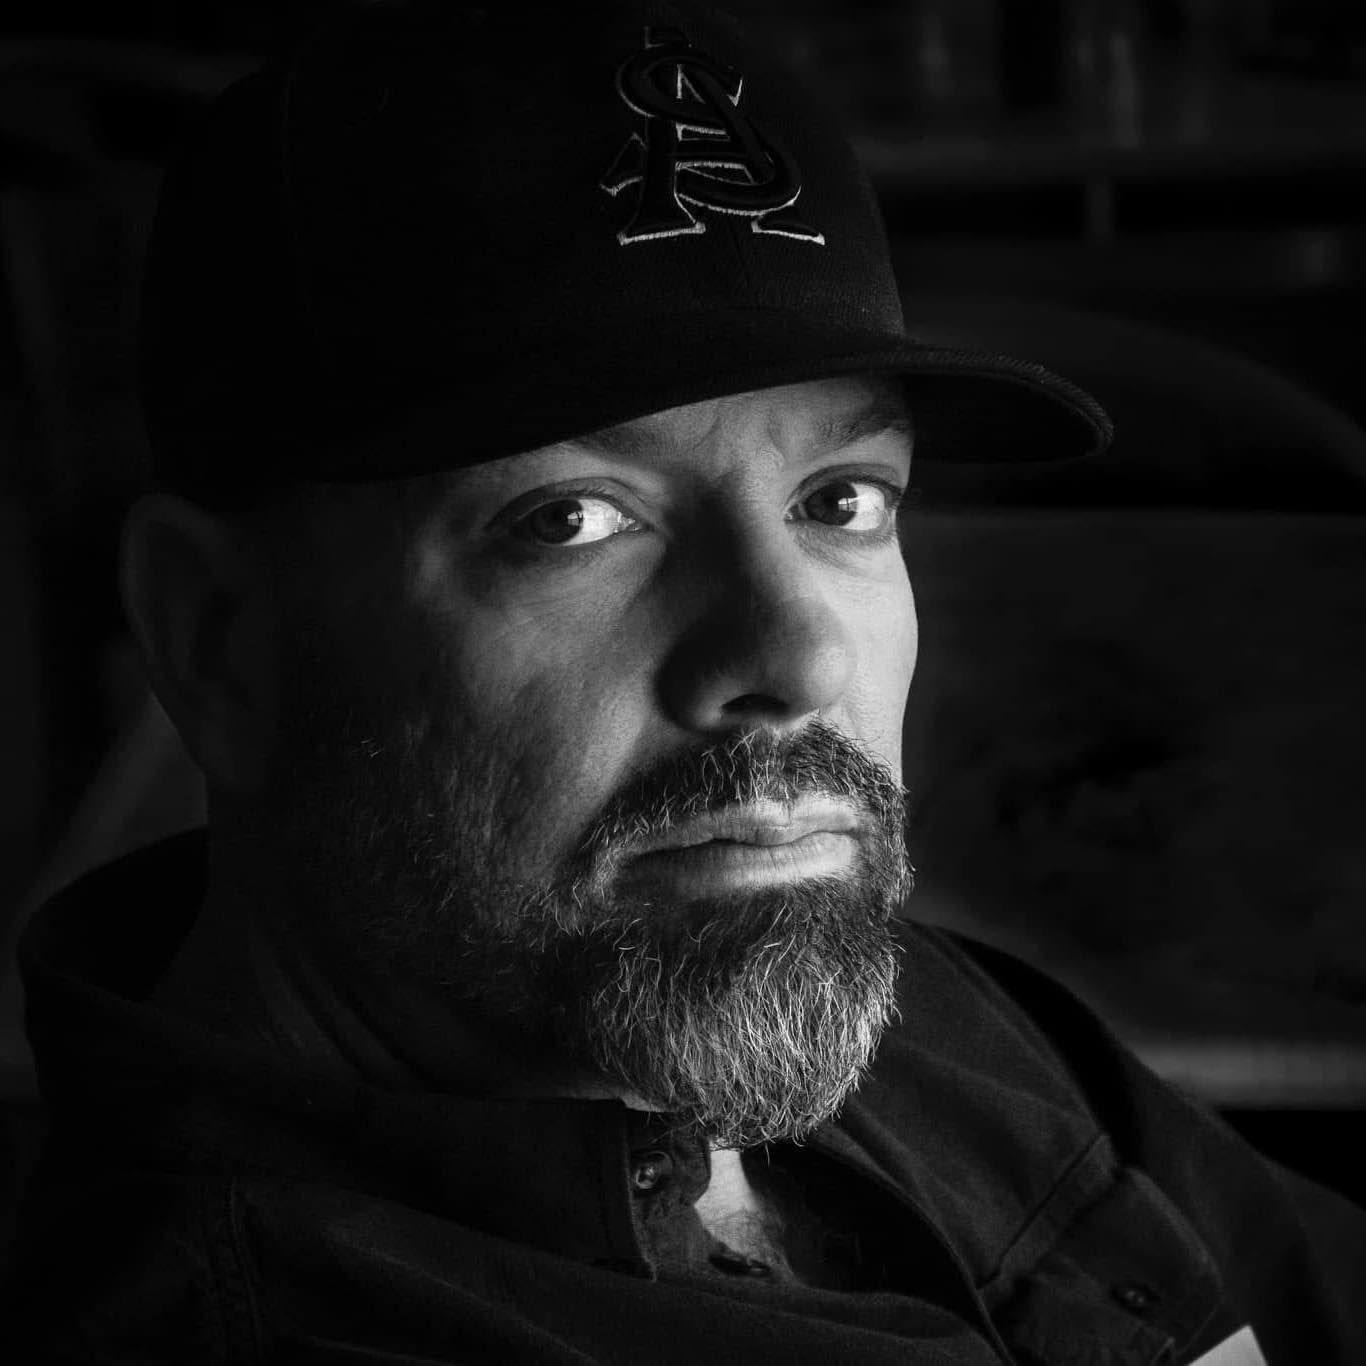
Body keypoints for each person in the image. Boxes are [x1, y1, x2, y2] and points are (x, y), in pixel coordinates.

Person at [4, 3, 1363, 1362]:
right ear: (216, 635)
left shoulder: (833, 991)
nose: (797, 655)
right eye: (571, 520)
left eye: (839, 497)